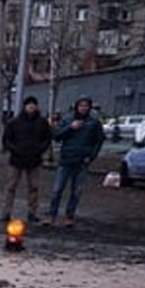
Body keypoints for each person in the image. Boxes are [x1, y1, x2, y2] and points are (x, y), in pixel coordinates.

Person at [44, 96, 105, 228]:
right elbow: (56, 135)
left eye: (86, 106)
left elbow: (99, 141)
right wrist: (70, 128)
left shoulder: (94, 122)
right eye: (81, 106)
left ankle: (69, 216)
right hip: (66, 159)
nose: (83, 108)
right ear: (76, 107)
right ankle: (51, 215)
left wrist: (91, 157)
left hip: (82, 161)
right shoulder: (68, 119)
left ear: (89, 108)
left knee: (76, 191)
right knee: (57, 190)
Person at [1, 96, 53, 222]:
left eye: (33, 105)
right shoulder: (14, 122)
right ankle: (6, 212)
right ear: (24, 106)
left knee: (34, 187)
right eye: (29, 105)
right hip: (16, 159)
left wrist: (39, 150)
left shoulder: (42, 122)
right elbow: (7, 139)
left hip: (34, 159)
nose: (31, 107)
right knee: (11, 187)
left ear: (36, 106)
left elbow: (47, 138)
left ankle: (32, 213)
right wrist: (15, 150)